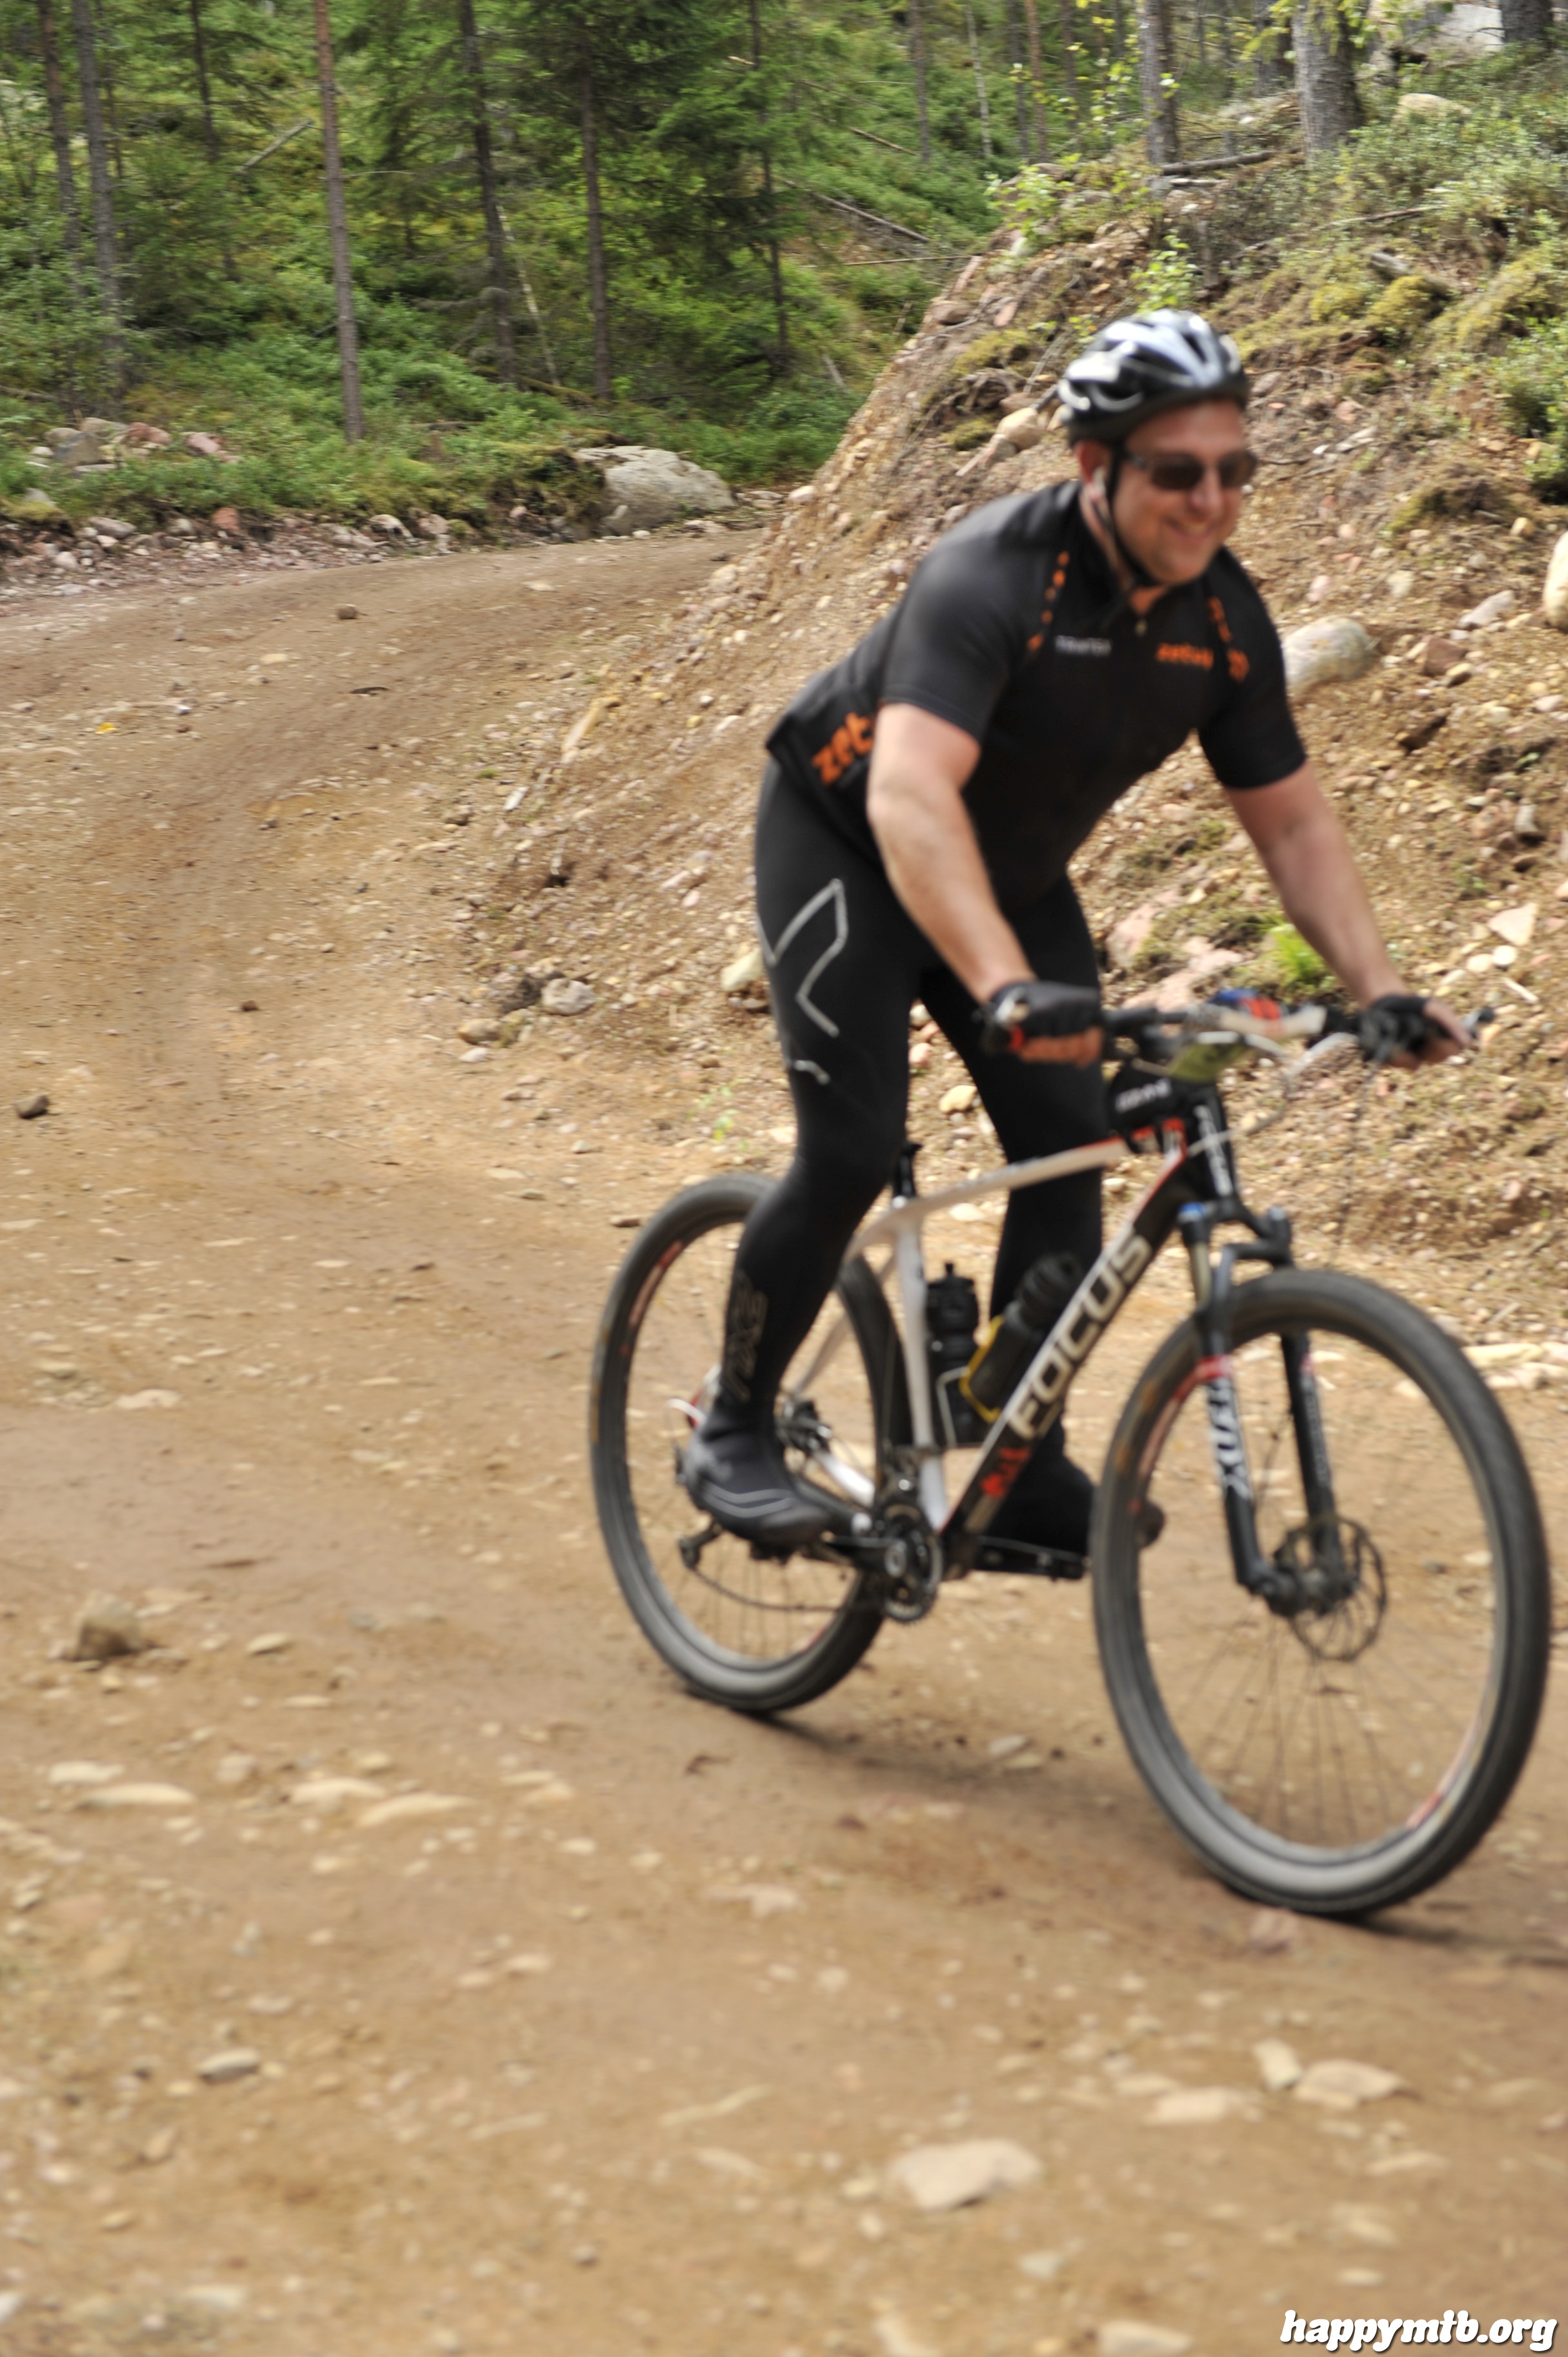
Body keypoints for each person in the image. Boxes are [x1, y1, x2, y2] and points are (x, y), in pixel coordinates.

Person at [682, 310, 1466, 1555]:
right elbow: (909, 796)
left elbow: (1294, 826)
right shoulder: (996, 577)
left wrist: (1379, 988)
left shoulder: (1223, 623)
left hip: (1010, 876)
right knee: (853, 1147)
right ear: (1096, 465)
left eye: (1236, 471)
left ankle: (1016, 1458)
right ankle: (731, 1425)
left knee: (1071, 1147)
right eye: (1178, 472)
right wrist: (1002, 984)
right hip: (847, 846)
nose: (1212, 501)